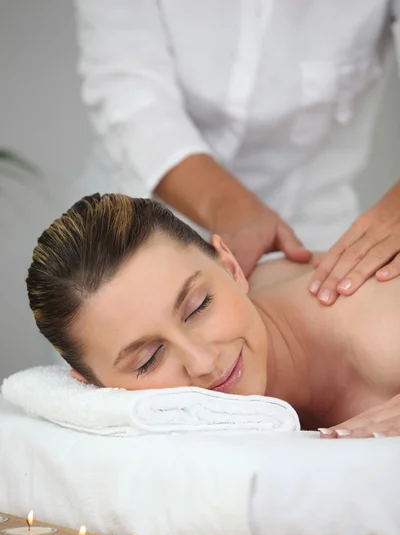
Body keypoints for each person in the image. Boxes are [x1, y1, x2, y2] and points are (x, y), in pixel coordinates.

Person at [74, 0, 400, 304]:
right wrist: (229, 207)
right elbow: (126, 85)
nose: (203, 363)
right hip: (129, 224)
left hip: (315, 231)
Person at [27, 193, 400, 438]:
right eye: (149, 359)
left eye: (199, 307)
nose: (203, 363)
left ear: (232, 266)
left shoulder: (379, 331)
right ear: (90, 384)